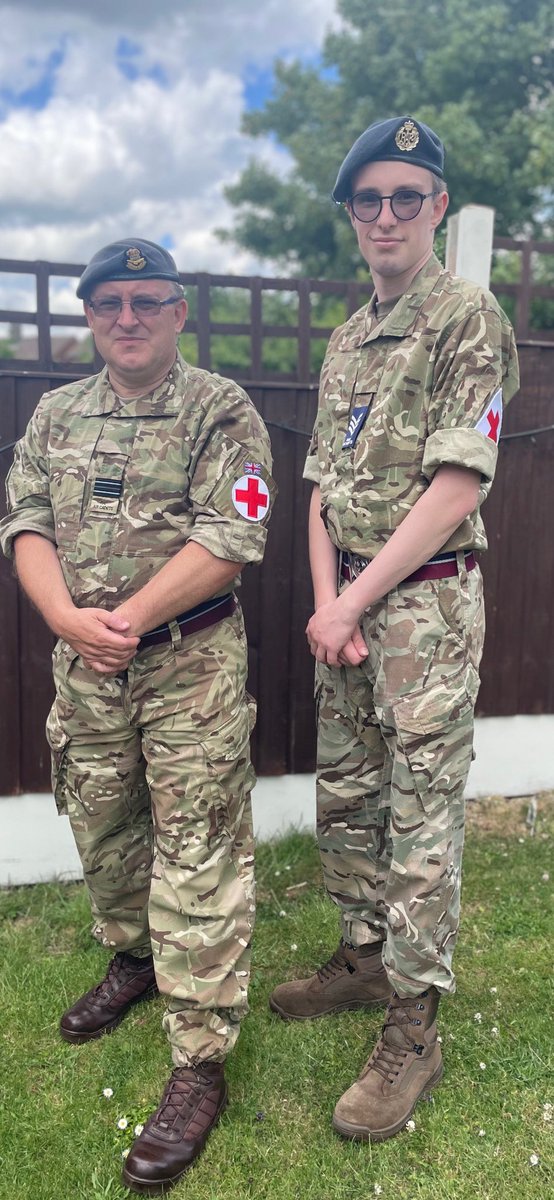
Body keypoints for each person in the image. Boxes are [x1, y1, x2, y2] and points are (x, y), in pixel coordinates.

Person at [0, 238, 275, 1192]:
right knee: (104, 820)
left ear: (178, 313)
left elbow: (233, 536)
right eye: (110, 301)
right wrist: (65, 619)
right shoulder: (55, 414)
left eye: (147, 301)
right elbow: (24, 521)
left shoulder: (220, 409)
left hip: (188, 663)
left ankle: (199, 1061)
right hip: (86, 664)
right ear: (89, 314)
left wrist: (124, 620)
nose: (128, 317)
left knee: (198, 844)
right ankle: (134, 957)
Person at [269, 117, 519, 1141]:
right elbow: (320, 486)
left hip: (422, 608)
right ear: (350, 218)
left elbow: (456, 482)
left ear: (435, 211)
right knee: (350, 794)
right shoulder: (343, 339)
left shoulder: (467, 317)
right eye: (366, 201)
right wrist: (327, 605)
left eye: (403, 199)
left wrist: (354, 600)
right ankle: (364, 960)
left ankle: (414, 1029)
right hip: (353, 610)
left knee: (417, 823)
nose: (383, 216)